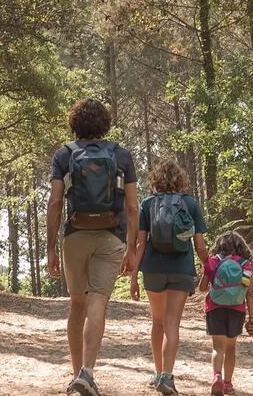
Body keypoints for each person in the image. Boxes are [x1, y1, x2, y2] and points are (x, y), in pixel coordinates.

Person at [46, 98, 140, 396]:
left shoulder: (64, 154)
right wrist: (132, 247)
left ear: (74, 123)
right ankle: (87, 371)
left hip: (75, 234)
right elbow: (133, 206)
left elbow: (56, 201)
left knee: (77, 303)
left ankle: (77, 374)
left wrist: (51, 246)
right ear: (105, 123)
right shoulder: (122, 155)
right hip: (112, 235)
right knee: (97, 301)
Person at [137, 160, 208, 395]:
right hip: (181, 267)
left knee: (157, 321)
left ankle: (158, 373)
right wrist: (209, 268)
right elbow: (199, 245)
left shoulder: (147, 204)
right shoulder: (190, 204)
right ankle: (167, 376)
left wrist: (133, 276)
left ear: (156, 179)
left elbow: (140, 243)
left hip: (153, 268)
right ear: (181, 180)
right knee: (172, 324)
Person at [201, 231, 253, 396]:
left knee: (218, 347)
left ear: (219, 246)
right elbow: (250, 293)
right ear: (242, 247)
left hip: (215, 308)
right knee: (231, 348)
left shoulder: (213, 262)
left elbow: (202, 287)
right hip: (237, 310)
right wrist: (252, 318)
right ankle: (228, 384)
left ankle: (216, 376)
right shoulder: (246, 265)